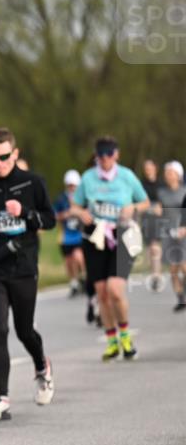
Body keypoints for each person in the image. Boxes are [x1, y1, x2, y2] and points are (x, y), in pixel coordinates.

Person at [0, 128, 56, 421]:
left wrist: (24, 212)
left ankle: (41, 366)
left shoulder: (33, 182)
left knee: (23, 331)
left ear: (15, 154)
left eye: (3, 157)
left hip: (23, 267)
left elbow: (49, 220)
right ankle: (1, 399)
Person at [68, 136, 150, 361]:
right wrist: (80, 212)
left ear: (116, 155)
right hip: (95, 237)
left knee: (115, 289)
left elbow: (145, 202)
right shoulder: (88, 178)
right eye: (101, 156)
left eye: (109, 155)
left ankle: (125, 335)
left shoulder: (126, 176)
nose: (105, 160)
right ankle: (112, 340)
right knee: (102, 293)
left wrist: (132, 207)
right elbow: (74, 206)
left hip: (123, 235)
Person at [157, 161, 186, 311]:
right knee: (173, 269)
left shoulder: (184, 191)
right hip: (168, 233)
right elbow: (159, 211)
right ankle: (180, 298)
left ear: (178, 175)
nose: (168, 175)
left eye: (171, 172)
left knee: (184, 266)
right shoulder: (161, 193)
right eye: (166, 173)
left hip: (183, 232)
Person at [55, 170, 88, 299]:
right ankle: (74, 282)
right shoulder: (61, 199)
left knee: (78, 257)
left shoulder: (83, 198)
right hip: (66, 235)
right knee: (69, 261)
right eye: (70, 185)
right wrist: (67, 214)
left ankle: (85, 278)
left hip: (80, 234)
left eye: (74, 185)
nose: (72, 188)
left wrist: (79, 213)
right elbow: (55, 215)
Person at [140, 159, 164, 291]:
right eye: (146, 168)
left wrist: (161, 207)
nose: (148, 170)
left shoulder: (161, 184)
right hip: (146, 219)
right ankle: (154, 271)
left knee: (156, 246)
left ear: (155, 168)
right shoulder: (141, 185)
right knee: (150, 248)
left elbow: (166, 201)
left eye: (150, 168)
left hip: (159, 219)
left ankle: (156, 275)